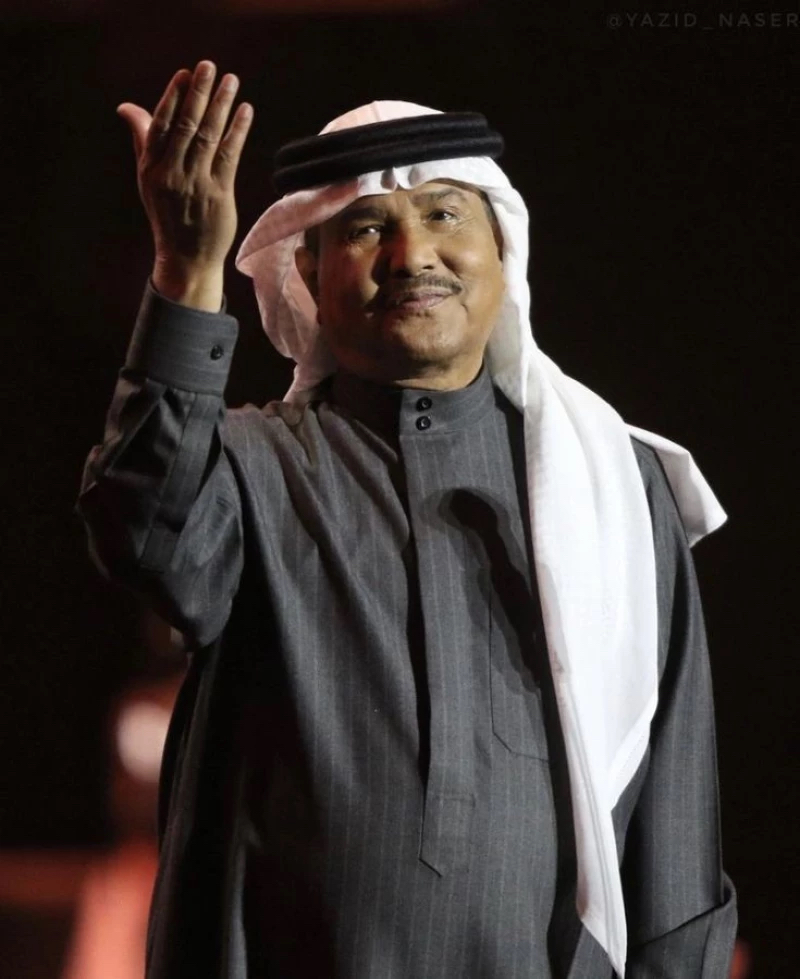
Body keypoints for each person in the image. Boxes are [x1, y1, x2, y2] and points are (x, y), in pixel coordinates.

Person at [78, 60, 737, 978]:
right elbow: (143, 533)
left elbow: (675, 821)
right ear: (308, 273)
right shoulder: (252, 467)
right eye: (365, 227)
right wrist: (188, 272)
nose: (411, 254)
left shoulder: (615, 487)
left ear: (503, 248)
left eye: (444, 214)